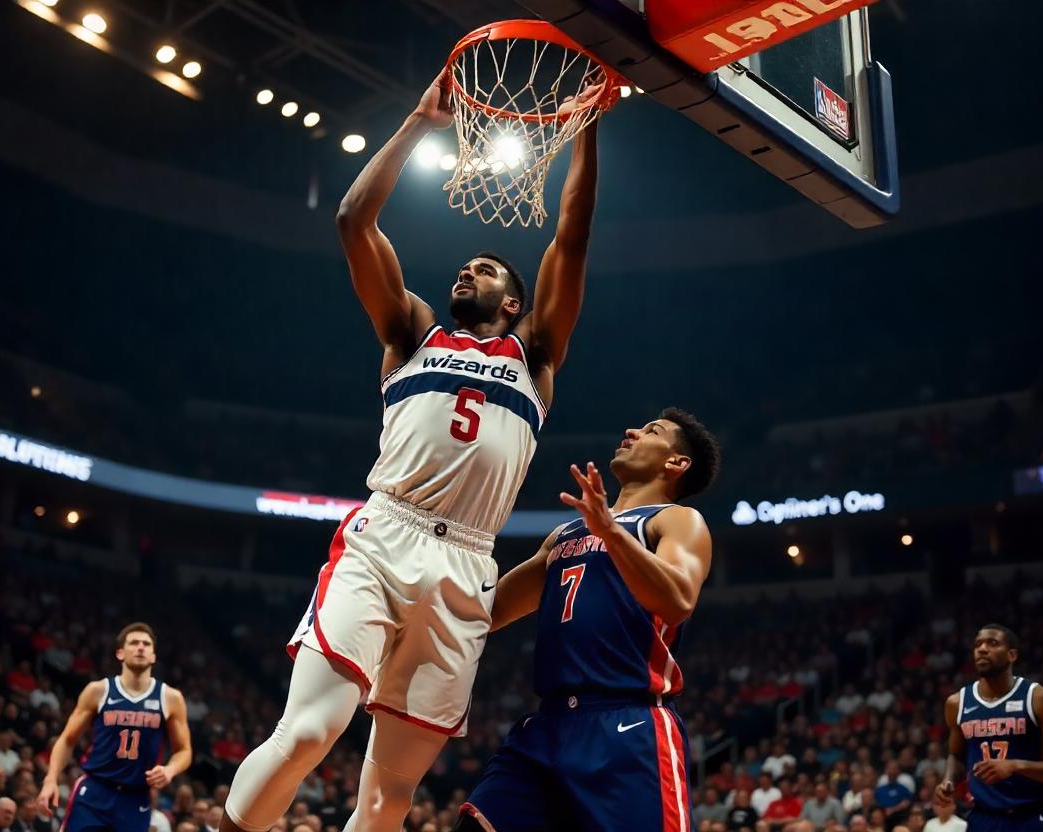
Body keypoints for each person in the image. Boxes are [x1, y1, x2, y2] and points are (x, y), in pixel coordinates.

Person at [223, 67, 606, 832]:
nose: (469, 269)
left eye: (488, 269)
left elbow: (572, 230)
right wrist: (419, 124)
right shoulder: (412, 330)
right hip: (385, 533)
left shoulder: (535, 356)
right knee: (305, 734)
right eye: (465, 265)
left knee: (385, 797)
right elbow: (353, 221)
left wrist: (586, 128)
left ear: (514, 302)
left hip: (467, 564)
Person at [455, 408, 720, 830]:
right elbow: (486, 613)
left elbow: (678, 599)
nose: (631, 429)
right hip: (546, 728)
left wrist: (611, 532)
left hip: (629, 726)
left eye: (651, 431)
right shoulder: (564, 535)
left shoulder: (677, 520)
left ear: (676, 463)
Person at [36, 623, 191, 832]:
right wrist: (51, 779)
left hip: (135, 797)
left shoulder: (170, 698)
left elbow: (184, 751)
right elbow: (67, 739)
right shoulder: (98, 691)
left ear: (153, 656)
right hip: (95, 790)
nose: (140, 648)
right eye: (134, 643)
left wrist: (170, 770)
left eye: (146, 644)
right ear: (120, 653)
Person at [934, 624, 1043, 832]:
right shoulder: (957, 703)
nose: (982, 649)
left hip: (1035, 817)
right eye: (978, 644)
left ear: (1012, 655)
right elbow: (956, 755)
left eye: (992, 643)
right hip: (984, 819)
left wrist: (1015, 766)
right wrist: (947, 781)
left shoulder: (1039, 698)